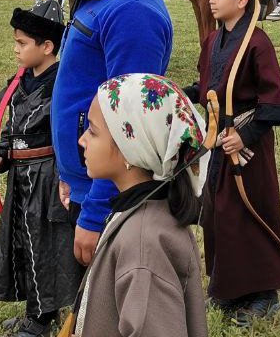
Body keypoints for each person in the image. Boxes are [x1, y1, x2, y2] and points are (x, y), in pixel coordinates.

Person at [52, 0, 173, 270]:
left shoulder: (131, 10)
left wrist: (94, 214)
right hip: (82, 183)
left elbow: (127, 127)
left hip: (102, 199)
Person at [187, 0, 280, 326]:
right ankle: (229, 290)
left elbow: (275, 105)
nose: (211, 0)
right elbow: (204, 91)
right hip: (219, 142)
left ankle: (264, 294)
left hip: (249, 145)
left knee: (249, 210)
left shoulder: (259, 43)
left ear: (242, 1)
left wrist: (244, 135)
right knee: (218, 214)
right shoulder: (213, 41)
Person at [72, 73, 209, 337]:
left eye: (92, 131)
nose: (83, 140)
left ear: (129, 147)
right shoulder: (138, 211)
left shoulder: (144, 246)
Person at [0, 1, 76, 337]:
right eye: (16, 42)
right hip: (22, 179)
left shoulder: (61, 86)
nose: (16, 49)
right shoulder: (19, 83)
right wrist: (2, 158)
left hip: (48, 178)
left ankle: (41, 320)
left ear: (47, 47)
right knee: (24, 243)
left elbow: (67, 134)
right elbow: (12, 129)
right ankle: (35, 310)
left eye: (22, 43)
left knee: (45, 245)